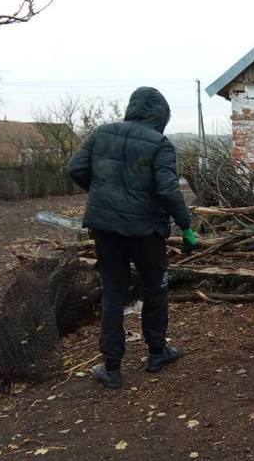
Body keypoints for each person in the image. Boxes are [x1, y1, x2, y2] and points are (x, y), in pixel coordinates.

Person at [68, 86, 197, 389]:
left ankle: (111, 367)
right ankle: (156, 352)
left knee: (113, 291)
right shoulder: (159, 144)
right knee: (155, 289)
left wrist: (103, 195)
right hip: (145, 232)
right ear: (161, 116)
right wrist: (186, 226)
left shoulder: (102, 134)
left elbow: (76, 168)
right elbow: (167, 190)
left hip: (105, 228)